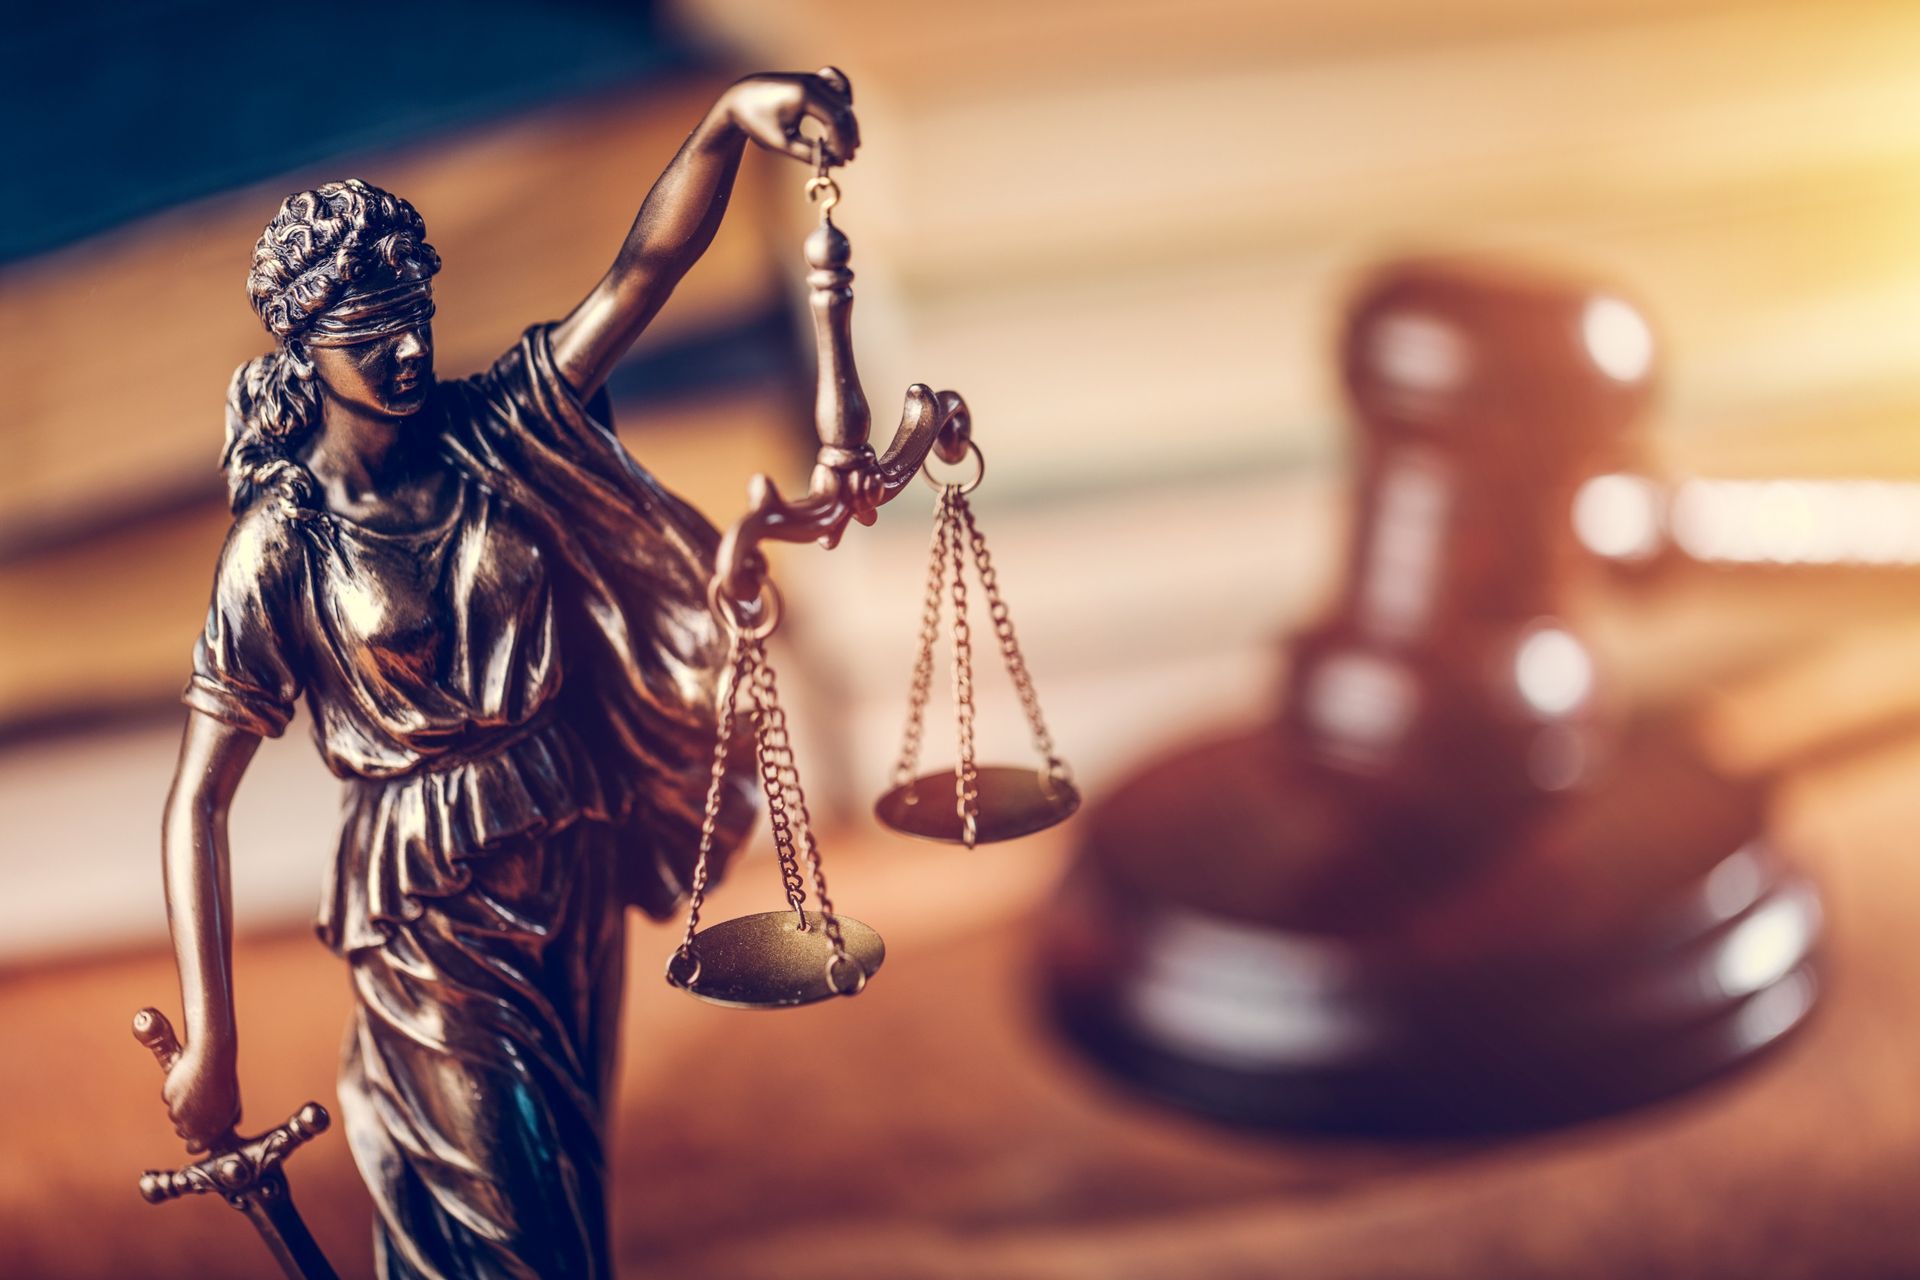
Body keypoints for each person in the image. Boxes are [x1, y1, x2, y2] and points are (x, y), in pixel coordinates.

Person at [157, 71, 859, 1278]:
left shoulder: (499, 430)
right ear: (304, 344)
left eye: (415, 312)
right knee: (512, 1220)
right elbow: (199, 797)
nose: (408, 347)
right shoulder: (281, 543)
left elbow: (646, 273)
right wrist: (212, 1040)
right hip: (426, 902)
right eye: (369, 333)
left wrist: (727, 120)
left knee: (568, 1195)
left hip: (566, 836)